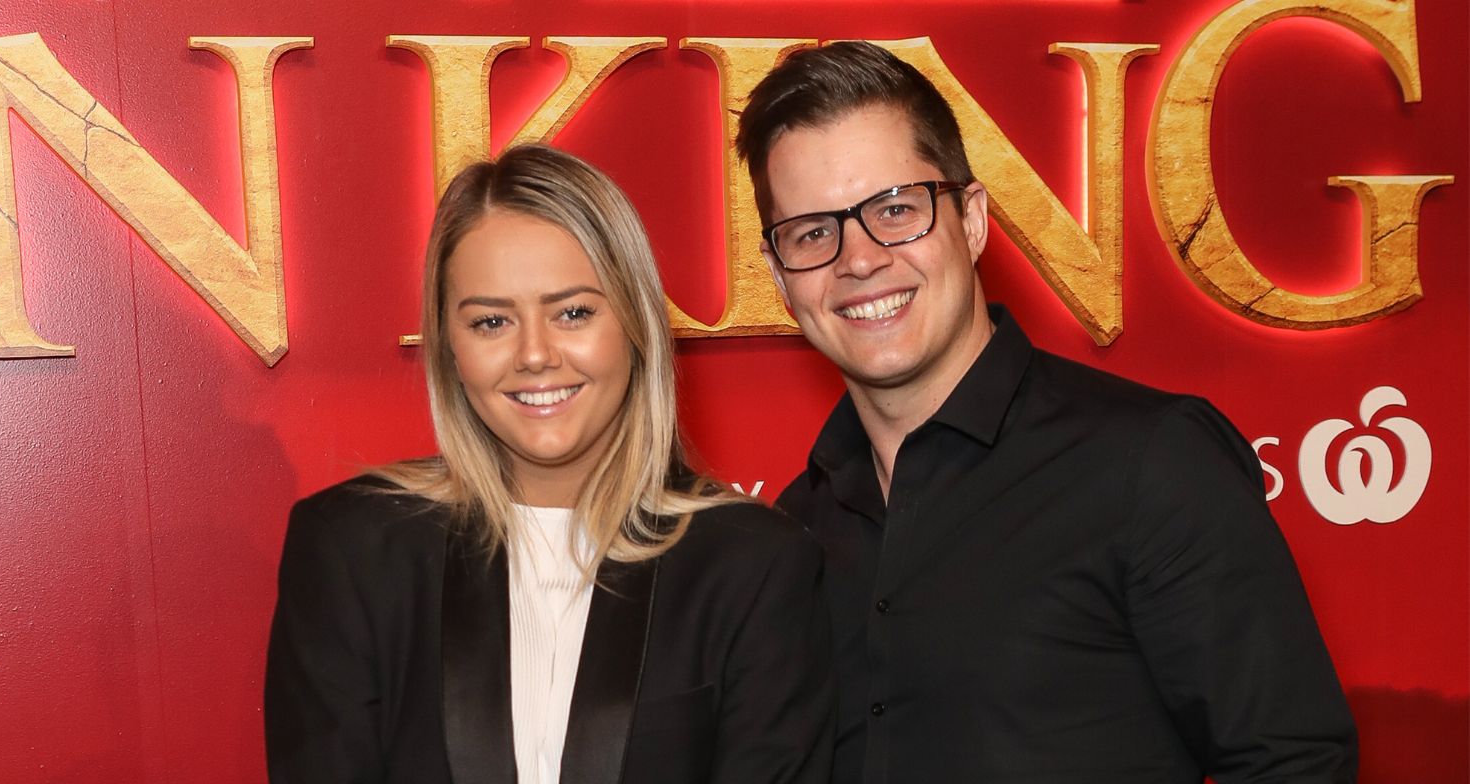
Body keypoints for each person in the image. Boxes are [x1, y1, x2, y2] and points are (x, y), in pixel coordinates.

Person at [736, 41, 1357, 783]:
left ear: (970, 220)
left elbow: (1294, 763)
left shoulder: (1150, 465)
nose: (859, 258)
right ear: (778, 276)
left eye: (895, 210)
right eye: (812, 232)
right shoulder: (796, 531)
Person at [263, 144, 833, 784]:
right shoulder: (351, 551)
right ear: (450, 346)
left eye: (573, 313)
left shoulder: (755, 565)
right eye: (491, 322)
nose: (534, 354)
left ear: (636, 324)